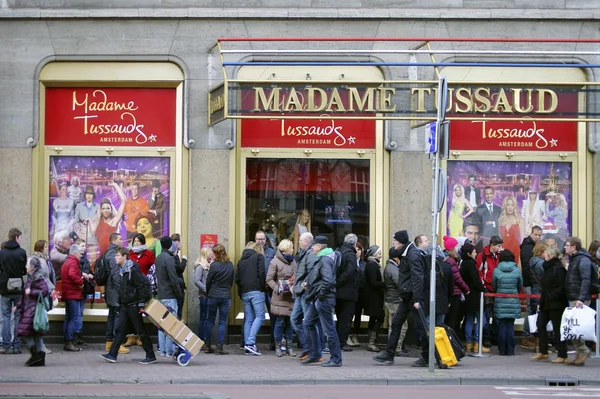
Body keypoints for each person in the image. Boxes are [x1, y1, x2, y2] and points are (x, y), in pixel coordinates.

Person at [373, 230, 428, 367]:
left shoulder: (412, 255)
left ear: (401, 242)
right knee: (396, 324)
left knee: (421, 327)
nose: (393, 243)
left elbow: (417, 277)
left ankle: (427, 357)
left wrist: (416, 299)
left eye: (395, 241)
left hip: (412, 297)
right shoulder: (407, 253)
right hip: (407, 297)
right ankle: (389, 354)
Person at [100, 247, 156, 365]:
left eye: (118, 256)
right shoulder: (123, 270)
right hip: (126, 305)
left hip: (133, 305)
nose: (115, 257)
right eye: (115, 256)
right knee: (121, 330)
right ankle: (112, 354)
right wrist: (120, 302)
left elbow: (140, 286)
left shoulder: (132, 270)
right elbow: (123, 289)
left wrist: (140, 304)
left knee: (140, 330)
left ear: (125, 256)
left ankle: (150, 355)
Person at [302, 235, 342, 367]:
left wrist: (320, 295)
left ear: (319, 246)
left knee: (329, 329)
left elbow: (328, 280)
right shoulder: (327, 257)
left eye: (314, 245)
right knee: (308, 323)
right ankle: (315, 354)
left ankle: (336, 359)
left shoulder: (325, 259)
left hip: (323, 299)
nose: (312, 247)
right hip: (320, 297)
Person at [531, 245, 568, 363]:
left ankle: (562, 354)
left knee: (558, 329)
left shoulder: (559, 268)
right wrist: (541, 301)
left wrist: (551, 295)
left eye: (546, 253)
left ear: (550, 255)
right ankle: (543, 351)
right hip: (546, 301)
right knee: (540, 324)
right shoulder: (546, 267)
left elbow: (562, 287)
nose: (544, 255)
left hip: (556, 303)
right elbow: (544, 286)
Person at [290, 232, 321, 361]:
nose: (298, 243)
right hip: (299, 293)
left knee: (309, 322)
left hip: (305, 293)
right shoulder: (303, 254)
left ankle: (315, 351)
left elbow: (313, 271)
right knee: (294, 319)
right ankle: (308, 348)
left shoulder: (310, 254)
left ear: (307, 242)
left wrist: (305, 284)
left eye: (301, 241)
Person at [563, 236, 593, 366]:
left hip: (579, 299)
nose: (565, 247)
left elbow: (586, 279)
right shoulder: (575, 259)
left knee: (576, 328)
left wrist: (581, 298)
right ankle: (578, 355)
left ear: (574, 247)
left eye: (567, 245)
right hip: (574, 297)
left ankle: (584, 350)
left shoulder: (582, 260)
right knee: (573, 328)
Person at [16, 257, 50, 366]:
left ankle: (36, 354)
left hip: (33, 310)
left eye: (27, 264)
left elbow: (45, 291)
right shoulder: (32, 277)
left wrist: (31, 291)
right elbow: (24, 296)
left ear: (32, 267)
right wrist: (18, 306)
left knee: (25, 332)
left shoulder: (37, 277)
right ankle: (39, 357)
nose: (25, 266)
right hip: (30, 308)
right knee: (36, 334)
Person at [124, 233, 156, 348]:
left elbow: (153, 269)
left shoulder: (149, 254)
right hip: (131, 288)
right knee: (130, 312)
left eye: (139, 241)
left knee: (140, 311)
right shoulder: (129, 254)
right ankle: (130, 336)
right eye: (135, 241)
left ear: (143, 242)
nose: (136, 243)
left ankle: (139, 336)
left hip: (143, 287)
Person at [266, 239, 296, 357]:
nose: (293, 250)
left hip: (291, 297)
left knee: (290, 323)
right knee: (279, 322)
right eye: (291, 247)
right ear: (285, 249)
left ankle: (290, 347)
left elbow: (297, 275)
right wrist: (277, 288)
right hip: (280, 297)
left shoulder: (293, 262)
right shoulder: (275, 262)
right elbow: (269, 279)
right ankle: (278, 346)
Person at [235, 242, 265, 356]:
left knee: (249, 319)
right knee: (260, 316)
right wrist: (262, 287)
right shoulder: (259, 257)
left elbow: (237, 278)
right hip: (256, 290)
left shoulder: (241, 260)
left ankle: (248, 345)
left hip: (245, 292)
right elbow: (262, 273)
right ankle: (251, 343)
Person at [0, 228, 27, 354]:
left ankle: (5, 346)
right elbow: (24, 270)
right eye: (20, 237)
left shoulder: (2, 252)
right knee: (17, 317)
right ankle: (16, 346)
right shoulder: (21, 252)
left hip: (4, 288)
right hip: (17, 288)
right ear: (16, 237)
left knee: (5, 317)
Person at [155, 236, 183, 357]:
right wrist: (179, 294)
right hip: (170, 295)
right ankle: (169, 350)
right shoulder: (169, 259)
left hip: (161, 294)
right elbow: (173, 279)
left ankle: (162, 350)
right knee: (171, 324)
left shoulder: (159, 258)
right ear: (169, 245)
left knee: (162, 324)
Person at [492, 249, 523, 356]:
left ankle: (502, 350)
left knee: (501, 325)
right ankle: (510, 350)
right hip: (513, 299)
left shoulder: (496, 270)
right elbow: (520, 285)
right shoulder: (517, 270)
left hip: (500, 300)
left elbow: (494, 286)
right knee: (510, 326)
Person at [205, 243, 234, 355]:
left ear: (215, 253)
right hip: (225, 295)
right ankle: (219, 348)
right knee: (222, 322)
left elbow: (208, 281)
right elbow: (231, 281)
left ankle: (207, 345)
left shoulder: (214, 265)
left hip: (213, 295)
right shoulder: (230, 265)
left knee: (210, 320)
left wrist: (208, 292)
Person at [476, 235, 503, 348]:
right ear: (492, 245)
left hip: (497, 288)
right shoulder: (482, 256)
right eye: (498, 246)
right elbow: (479, 270)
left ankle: (495, 336)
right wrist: (483, 283)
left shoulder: (500, 256)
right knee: (486, 314)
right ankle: (486, 337)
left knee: (497, 314)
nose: (501, 248)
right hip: (487, 288)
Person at [519, 225, 543, 349]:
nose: (538, 237)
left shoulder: (535, 246)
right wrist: (530, 282)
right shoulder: (528, 247)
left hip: (533, 284)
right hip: (530, 284)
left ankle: (533, 335)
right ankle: (527, 336)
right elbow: (527, 267)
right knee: (530, 309)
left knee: (534, 310)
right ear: (531, 234)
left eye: (539, 235)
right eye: (536, 235)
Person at [383, 246, 409, 357]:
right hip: (395, 300)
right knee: (400, 325)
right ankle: (396, 348)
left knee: (394, 325)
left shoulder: (390, 266)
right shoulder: (392, 267)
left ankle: (394, 347)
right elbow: (399, 283)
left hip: (392, 299)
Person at [459, 243, 486, 353]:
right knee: (481, 319)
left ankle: (469, 343)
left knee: (469, 319)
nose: (475, 253)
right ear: (469, 253)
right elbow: (475, 280)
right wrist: (482, 288)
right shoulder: (471, 264)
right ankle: (477, 343)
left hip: (467, 294)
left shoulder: (462, 263)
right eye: (474, 252)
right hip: (475, 294)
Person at [335, 233, 359, 352]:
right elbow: (350, 272)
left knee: (340, 318)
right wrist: (339, 282)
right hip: (348, 292)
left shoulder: (338, 251)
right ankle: (341, 342)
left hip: (337, 292)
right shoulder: (351, 254)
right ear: (354, 243)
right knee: (346, 319)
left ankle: (338, 342)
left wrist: (336, 283)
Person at [442, 236, 470, 335]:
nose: (458, 248)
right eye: (456, 246)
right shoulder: (452, 261)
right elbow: (457, 279)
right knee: (452, 319)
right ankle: (451, 340)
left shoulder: (448, 260)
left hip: (452, 292)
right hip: (455, 292)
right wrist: (466, 289)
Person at [61, 244, 85, 352]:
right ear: (75, 253)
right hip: (73, 294)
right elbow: (72, 275)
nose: (81, 256)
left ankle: (67, 340)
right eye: (80, 253)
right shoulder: (73, 262)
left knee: (68, 318)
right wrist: (81, 282)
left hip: (68, 293)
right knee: (74, 317)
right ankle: (69, 341)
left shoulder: (67, 261)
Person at [255, 230, 276, 350]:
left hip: (269, 288)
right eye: (258, 239)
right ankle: (246, 342)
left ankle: (273, 341)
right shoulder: (252, 252)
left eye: (262, 239)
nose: (260, 241)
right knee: (251, 316)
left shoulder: (271, 252)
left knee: (273, 315)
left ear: (266, 239)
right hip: (257, 288)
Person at [93, 182, 126, 255]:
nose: (106, 210)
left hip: (112, 256)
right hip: (101, 256)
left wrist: (115, 185)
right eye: (103, 208)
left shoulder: (114, 222)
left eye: (108, 208)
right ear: (101, 210)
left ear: (111, 209)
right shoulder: (99, 221)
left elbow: (123, 201)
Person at [363, 245, 384, 352]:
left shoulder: (373, 264)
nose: (380, 256)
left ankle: (371, 341)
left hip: (373, 296)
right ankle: (371, 342)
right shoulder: (372, 265)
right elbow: (374, 282)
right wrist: (384, 284)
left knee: (373, 318)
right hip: (373, 297)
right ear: (374, 254)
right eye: (379, 254)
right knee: (380, 318)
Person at [193, 246, 213, 349]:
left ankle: (204, 339)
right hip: (204, 296)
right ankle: (202, 339)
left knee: (205, 318)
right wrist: (206, 289)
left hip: (208, 295)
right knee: (204, 318)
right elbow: (197, 280)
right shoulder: (200, 266)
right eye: (210, 253)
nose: (212, 255)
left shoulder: (208, 265)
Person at [348, 242, 366, 348]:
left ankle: (355, 334)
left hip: (360, 293)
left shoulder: (364, 263)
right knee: (349, 315)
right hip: (351, 292)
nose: (357, 252)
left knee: (358, 315)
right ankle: (348, 335)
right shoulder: (350, 262)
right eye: (355, 250)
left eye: (359, 250)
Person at [498, 195, 525, 264]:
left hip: (516, 250)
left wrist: (521, 255)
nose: (510, 207)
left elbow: (522, 239)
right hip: (503, 251)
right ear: (505, 207)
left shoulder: (520, 220)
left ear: (515, 207)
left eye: (512, 205)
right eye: (508, 205)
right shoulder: (500, 221)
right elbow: (499, 239)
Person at [73, 185, 99, 252]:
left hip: (94, 239)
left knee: (93, 259)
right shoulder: (79, 206)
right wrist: (80, 234)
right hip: (82, 239)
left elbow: (99, 222)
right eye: (87, 194)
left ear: (93, 195)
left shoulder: (98, 207)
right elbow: (75, 222)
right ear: (85, 195)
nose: (89, 196)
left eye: (91, 194)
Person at [170, 233, 187, 320]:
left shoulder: (174, 255)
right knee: (177, 315)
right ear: (176, 242)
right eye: (181, 242)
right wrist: (184, 260)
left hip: (178, 286)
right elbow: (179, 269)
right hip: (177, 288)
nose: (181, 244)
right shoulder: (173, 256)